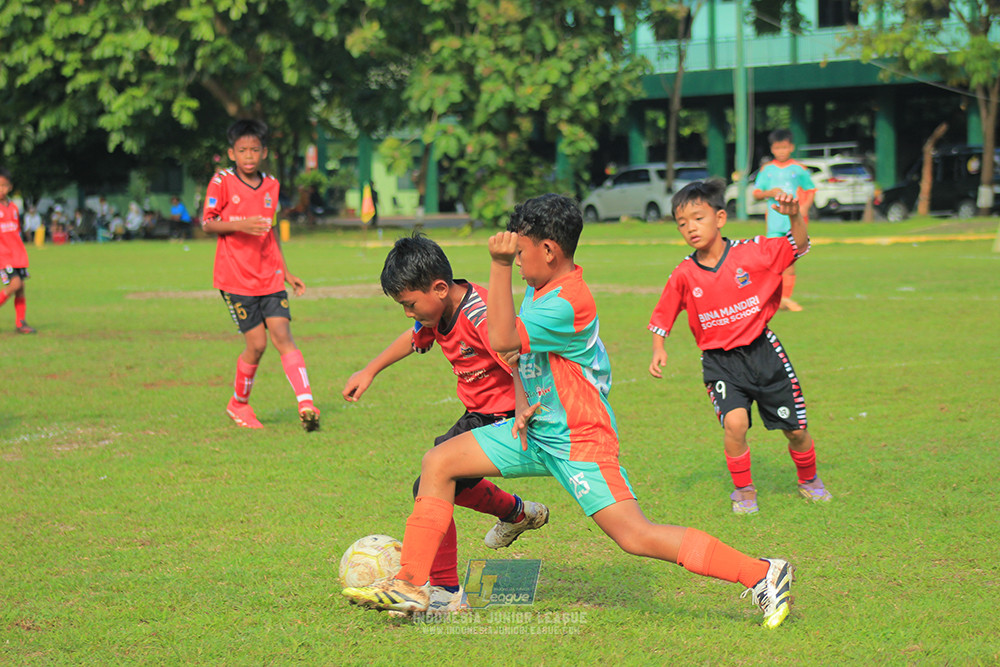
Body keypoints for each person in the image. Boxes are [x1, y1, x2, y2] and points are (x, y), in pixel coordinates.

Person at [343, 194, 794, 629]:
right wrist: (521, 395)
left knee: (634, 535)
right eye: (512, 256)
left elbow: (501, 339)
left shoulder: (567, 300)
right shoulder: (543, 288)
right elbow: (517, 354)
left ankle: (760, 572)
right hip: (535, 429)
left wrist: (498, 267)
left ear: (549, 250)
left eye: (521, 253)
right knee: (437, 464)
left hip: (578, 438)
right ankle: (413, 584)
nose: (517, 261)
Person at [342, 232, 549, 613]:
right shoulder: (436, 310)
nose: (409, 313)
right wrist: (370, 370)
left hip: (506, 418)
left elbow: (513, 352)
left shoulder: (478, 312)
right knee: (441, 483)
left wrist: (522, 403)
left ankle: (442, 590)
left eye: (409, 304)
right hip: (477, 416)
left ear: (438, 287)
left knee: (433, 481)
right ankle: (516, 514)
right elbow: (413, 337)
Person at [648, 179, 832, 516]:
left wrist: (794, 217)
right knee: (735, 424)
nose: (690, 228)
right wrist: (659, 346)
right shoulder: (684, 274)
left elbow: (797, 245)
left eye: (698, 218)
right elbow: (664, 312)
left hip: (763, 354)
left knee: (796, 431)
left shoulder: (753, 252)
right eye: (682, 223)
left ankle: (809, 480)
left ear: (719, 218)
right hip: (720, 363)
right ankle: (744, 490)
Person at [201, 118, 320, 432]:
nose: (249, 155)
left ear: (264, 152)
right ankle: (238, 403)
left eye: (255, 149)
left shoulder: (271, 185)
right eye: (243, 150)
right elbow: (208, 223)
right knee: (256, 345)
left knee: (283, 336)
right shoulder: (221, 182)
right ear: (232, 153)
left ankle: (306, 403)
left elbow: (271, 234)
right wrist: (241, 224)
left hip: (269, 276)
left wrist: (286, 271)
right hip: (235, 279)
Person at [752, 129, 816, 312]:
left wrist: (803, 208)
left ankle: (785, 298)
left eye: (784, 147)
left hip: (793, 223)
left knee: (790, 261)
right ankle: (773, 297)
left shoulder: (798, 169)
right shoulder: (767, 170)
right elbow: (756, 193)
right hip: (774, 222)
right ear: (772, 149)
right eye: (777, 148)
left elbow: (810, 189)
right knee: (772, 262)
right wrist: (767, 193)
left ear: (791, 147)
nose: (781, 151)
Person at [0, 168, 37, 334]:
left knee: (21, 287)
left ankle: (20, 322)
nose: (1, 189)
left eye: (4, 186)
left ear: (10, 187)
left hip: (17, 255)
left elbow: (16, 231)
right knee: (15, 284)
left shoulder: (14, 208)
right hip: (3, 255)